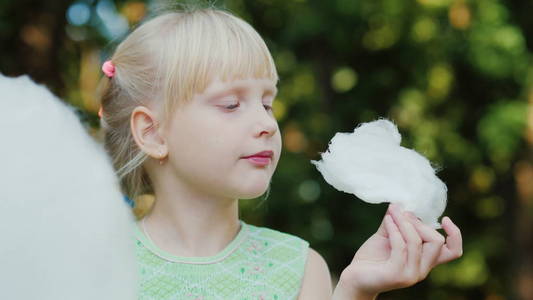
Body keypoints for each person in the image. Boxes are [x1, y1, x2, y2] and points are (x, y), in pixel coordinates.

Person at [97, 5, 463, 300]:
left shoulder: (300, 268)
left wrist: (355, 290)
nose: (267, 124)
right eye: (230, 104)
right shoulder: (96, 264)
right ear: (152, 132)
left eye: (268, 103)